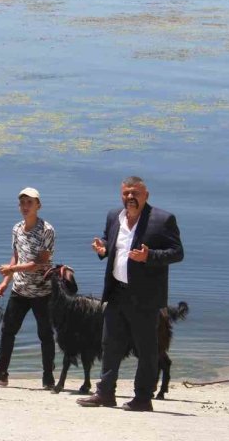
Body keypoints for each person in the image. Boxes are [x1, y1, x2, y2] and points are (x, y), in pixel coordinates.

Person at [77, 176, 184, 412]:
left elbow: (177, 253)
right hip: (117, 291)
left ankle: (143, 398)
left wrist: (149, 256)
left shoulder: (162, 219)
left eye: (135, 193)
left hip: (145, 297)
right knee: (110, 344)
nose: (130, 197)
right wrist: (103, 249)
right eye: (126, 193)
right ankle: (105, 393)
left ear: (146, 195)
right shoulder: (114, 216)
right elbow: (112, 242)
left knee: (146, 349)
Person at [0, 188, 56, 389]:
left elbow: (40, 263)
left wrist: (12, 269)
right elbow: (16, 255)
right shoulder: (17, 229)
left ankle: (48, 377)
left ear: (38, 205)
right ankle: (1, 373)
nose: (25, 206)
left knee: (45, 334)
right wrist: (6, 281)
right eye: (22, 203)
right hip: (19, 290)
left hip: (42, 291)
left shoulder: (47, 230)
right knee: (7, 330)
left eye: (30, 202)